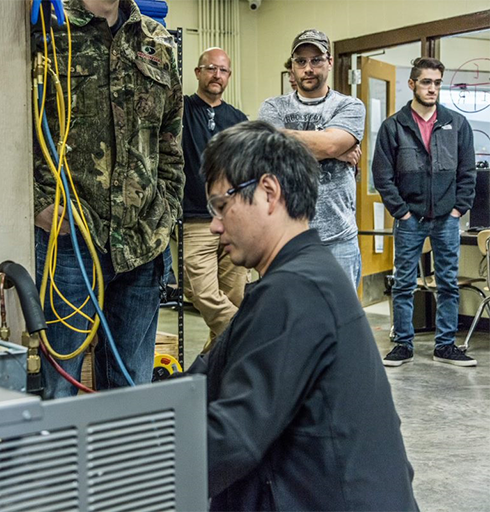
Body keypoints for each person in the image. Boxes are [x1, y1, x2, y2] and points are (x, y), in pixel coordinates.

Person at [187, 121, 418, 512]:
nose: (214, 225)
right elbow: (210, 374)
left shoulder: (295, 289)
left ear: (269, 192)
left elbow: (233, 438)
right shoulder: (306, 273)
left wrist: (115, 479)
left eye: (221, 206)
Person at [32, 0, 184, 397]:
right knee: (59, 388)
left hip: (143, 242)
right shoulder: (49, 30)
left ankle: (121, 461)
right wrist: (40, 202)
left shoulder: (157, 41)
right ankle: (58, 460)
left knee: (131, 388)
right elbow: (18, 122)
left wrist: (167, 206)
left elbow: (169, 136)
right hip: (70, 241)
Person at [373, 57, 477, 367]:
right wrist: (401, 212)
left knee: (447, 282)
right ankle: (403, 343)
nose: (432, 88)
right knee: (404, 283)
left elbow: (467, 172)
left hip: (447, 217)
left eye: (436, 83)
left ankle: (445, 345)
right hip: (410, 219)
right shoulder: (394, 126)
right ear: (413, 84)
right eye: (426, 82)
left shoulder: (456, 123)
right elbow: (383, 176)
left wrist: (459, 208)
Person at [259, 29, 365, 288]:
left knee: (340, 324)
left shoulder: (349, 106)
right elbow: (268, 148)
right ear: (292, 66)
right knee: (289, 322)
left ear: (329, 62)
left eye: (316, 60)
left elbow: (328, 145)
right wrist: (335, 148)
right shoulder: (273, 107)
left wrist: (328, 146)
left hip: (338, 241)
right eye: (301, 61)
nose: (308, 68)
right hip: (283, 239)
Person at [181, 47, 248, 349]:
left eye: (223, 70)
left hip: (234, 221)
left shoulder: (238, 120)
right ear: (198, 72)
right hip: (195, 221)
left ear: (229, 76)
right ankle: (251, 336)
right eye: (210, 68)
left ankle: (212, 375)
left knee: (235, 297)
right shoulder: (180, 111)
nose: (216, 75)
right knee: (205, 295)